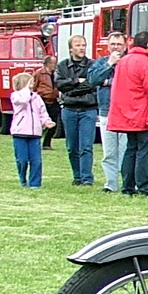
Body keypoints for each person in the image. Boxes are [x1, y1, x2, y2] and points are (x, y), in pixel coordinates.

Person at [108, 31, 148, 197]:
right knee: (145, 152)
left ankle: (128, 186)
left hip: (127, 114)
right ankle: (144, 187)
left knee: (131, 150)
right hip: (145, 114)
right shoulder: (147, 63)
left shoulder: (123, 61)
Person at [54, 35, 99, 186]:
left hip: (88, 109)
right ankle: (77, 176)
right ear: (71, 49)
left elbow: (91, 84)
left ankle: (87, 178)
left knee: (86, 146)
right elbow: (59, 85)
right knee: (72, 146)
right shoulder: (62, 66)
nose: (81, 48)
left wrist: (71, 90)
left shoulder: (92, 65)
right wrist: (75, 81)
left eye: (83, 45)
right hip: (69, 109)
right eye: (78, 45)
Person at [89, 32, 127, 192]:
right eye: (113, 44)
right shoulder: (101, 62)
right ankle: (111, 184)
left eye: (119, 44)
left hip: (126, 113)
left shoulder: (129, 62)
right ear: (108, 46)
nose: (116, 47)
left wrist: (108, 82)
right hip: (106, 112)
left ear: (125, 46)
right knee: (109, 152)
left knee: (126, 151)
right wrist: (109, 64)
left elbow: (127, 83)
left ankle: (128, 182)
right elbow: (92, 79)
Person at [9, 71, 54, 187]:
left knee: (36, 161)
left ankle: (35, 183)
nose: (33, 84)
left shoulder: (37, 98)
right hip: (20, 133)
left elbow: (42, 112)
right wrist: (26, 90)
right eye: (30, 82)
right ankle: (23, 179)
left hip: (35, 134)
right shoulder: (16, 96)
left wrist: (46, 121)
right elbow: (23, 101)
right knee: (22, 160)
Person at [32, 54, 61, 149]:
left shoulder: (56, 74)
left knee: (54, 122)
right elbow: (33, 87)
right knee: (39, 123)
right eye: (53, 63)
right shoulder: (39, 73)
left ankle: (47, 143)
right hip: (42, 100)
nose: (55, 64)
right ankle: (36, 142)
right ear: (48, 63)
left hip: (54, 100)